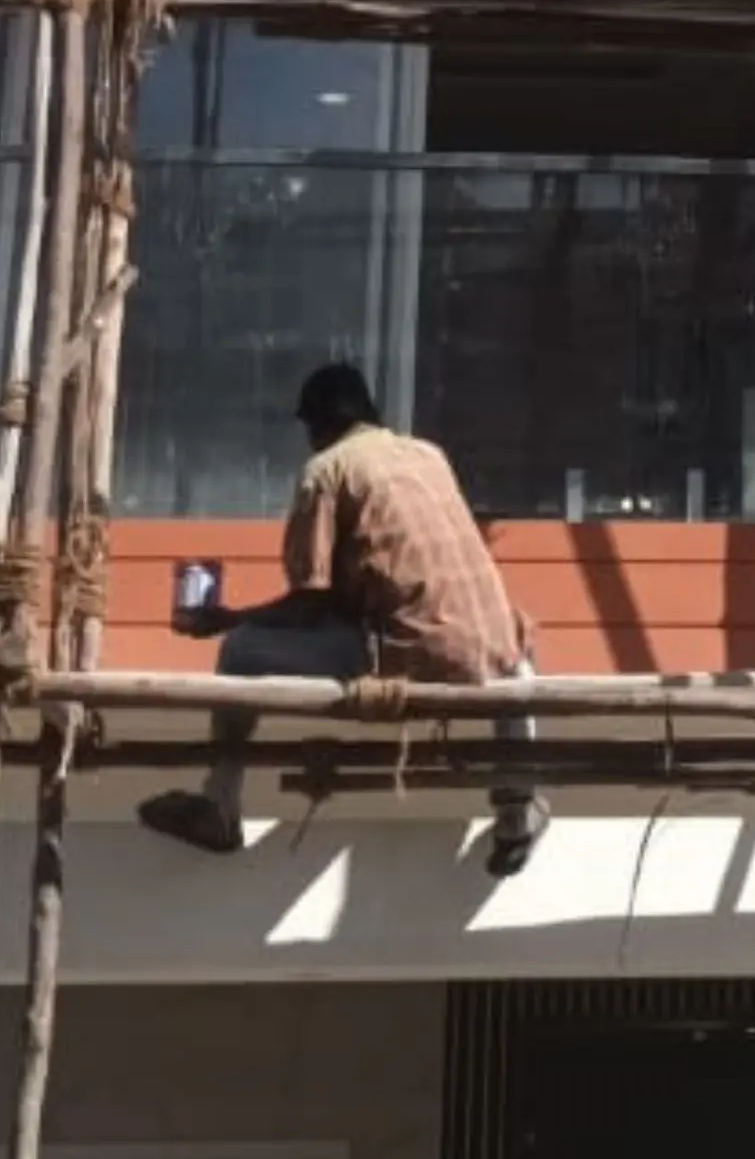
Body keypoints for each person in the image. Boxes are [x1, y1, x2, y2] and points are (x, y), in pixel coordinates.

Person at [138, 362, 547, 871]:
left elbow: (311, 601)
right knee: (513, 664)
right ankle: (517, 811)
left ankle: (219, 805)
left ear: (316, 427)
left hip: (405, 656)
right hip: (497, 650)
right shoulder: (428, 455)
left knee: (240, 652)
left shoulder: (327, 470)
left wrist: (229, 619)